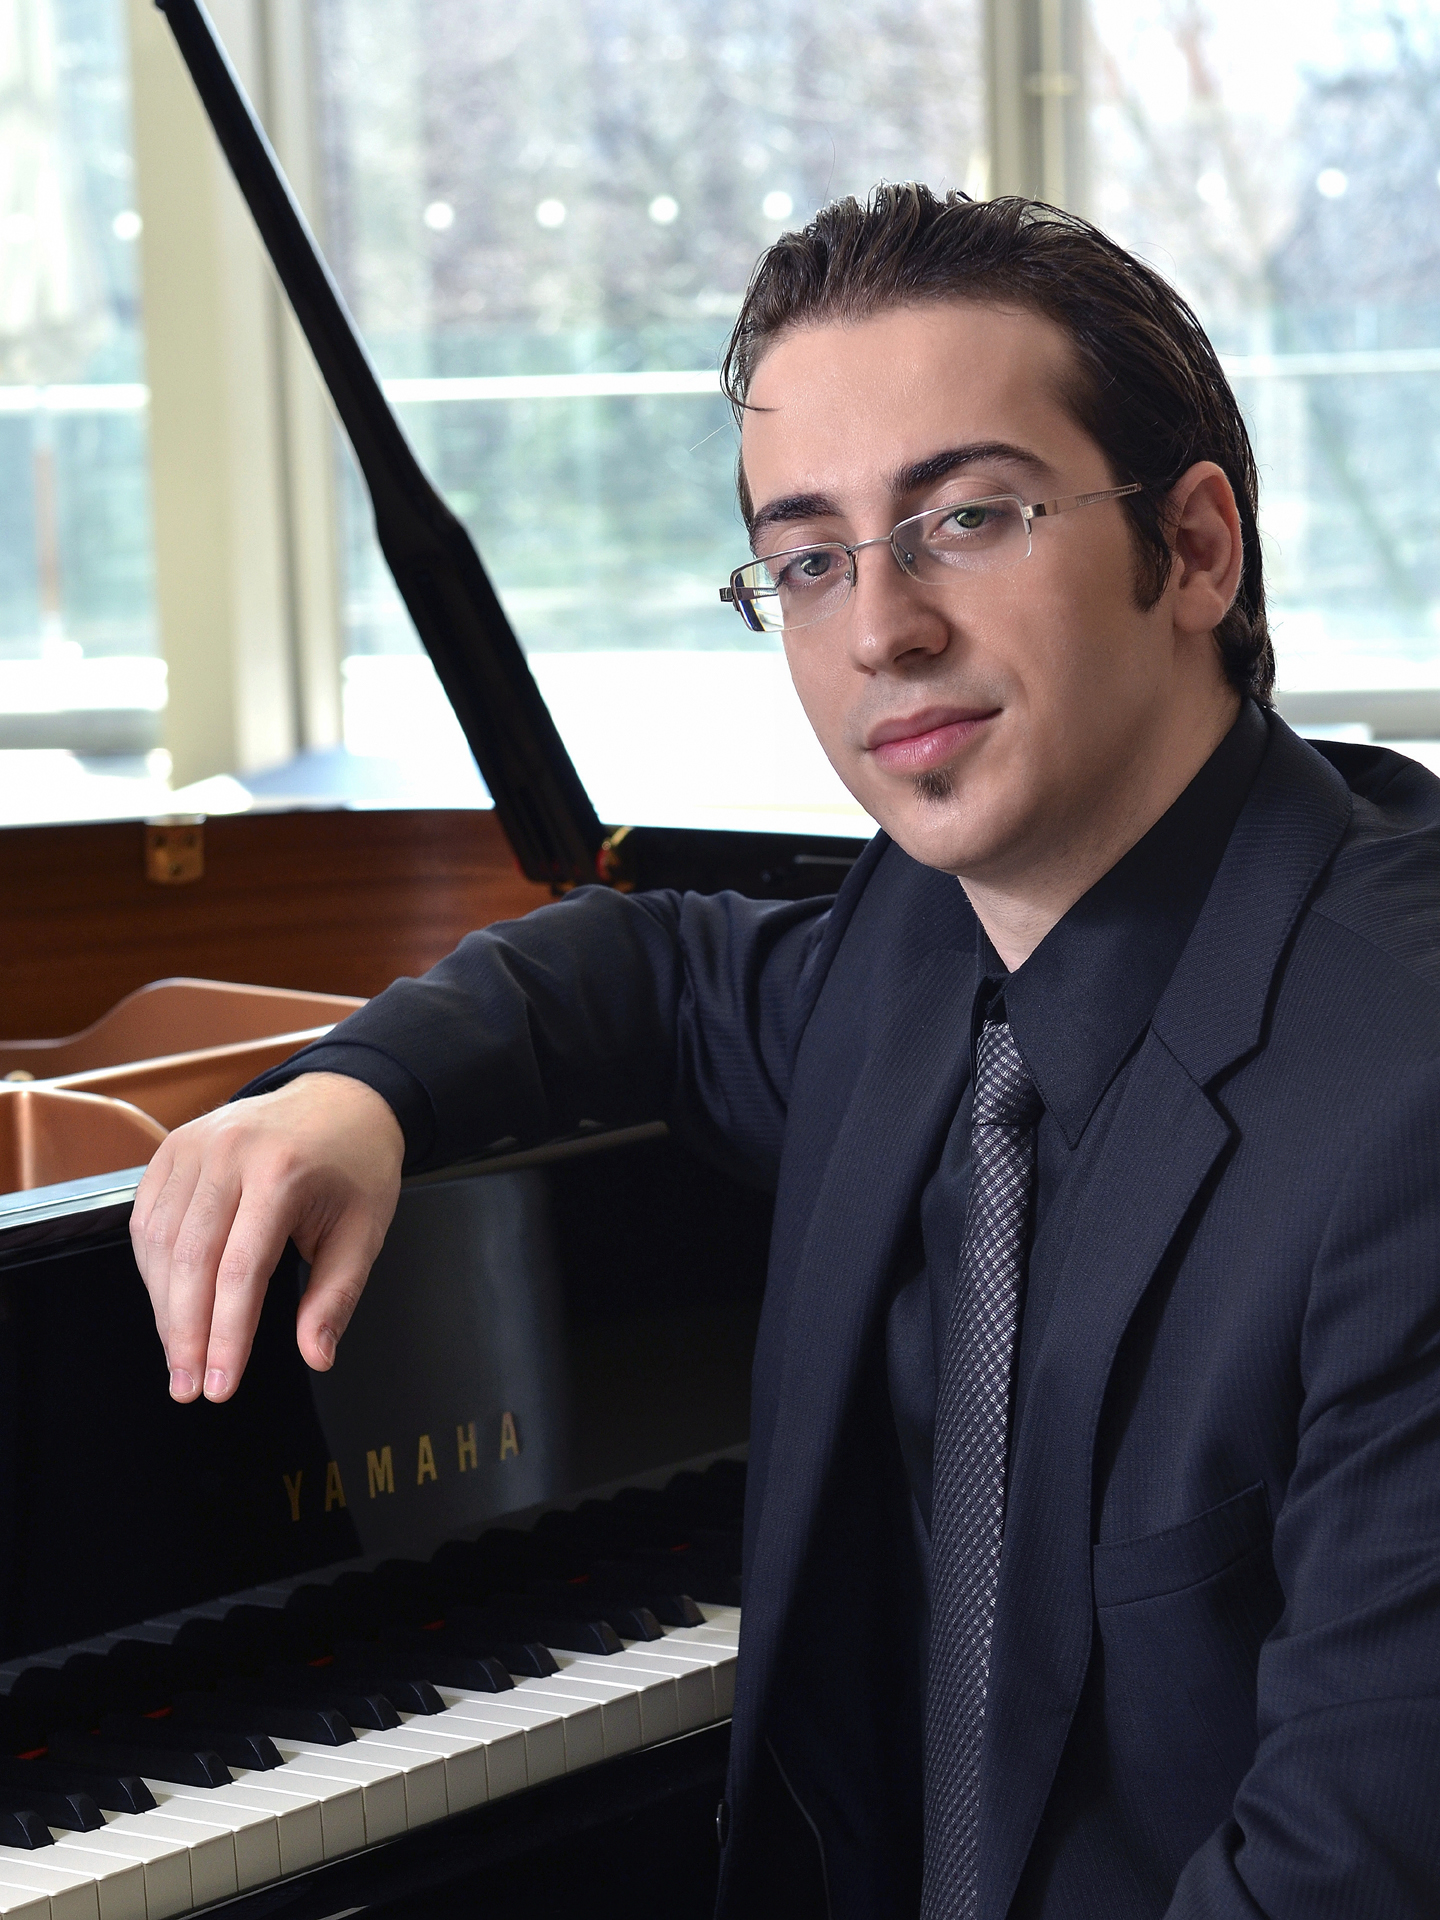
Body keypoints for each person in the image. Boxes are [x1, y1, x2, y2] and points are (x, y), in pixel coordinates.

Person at [130, 188, 1440, 1919]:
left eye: (968, 517)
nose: (881, 629)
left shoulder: (1404, 1106)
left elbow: (1352, 1873)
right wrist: (355, 1088)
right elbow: (657, 967)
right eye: (811, 558)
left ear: (1196, 548)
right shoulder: (922, 934)